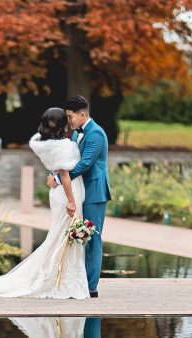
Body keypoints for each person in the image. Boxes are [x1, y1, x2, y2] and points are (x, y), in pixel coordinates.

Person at [0, 107, 88, 299]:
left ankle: (60, 276)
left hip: (57, 192)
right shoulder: (64, 146)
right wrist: (71, 201)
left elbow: (57, 172)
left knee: (60, 235)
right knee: (63, 236)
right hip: (67, 193)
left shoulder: (46, 145)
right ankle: (58, 279)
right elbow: (65, 175)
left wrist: (55, 179)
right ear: (61, 124)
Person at [47, 96, 112, 298]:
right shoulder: (76, 134)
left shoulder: (97, 134)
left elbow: (84, 164)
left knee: (93, 237)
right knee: (75, 235)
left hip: (94, 192)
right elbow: (70, 161)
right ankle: (75, 281)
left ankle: (91, 287)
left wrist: (58, 179)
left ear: (83, 114)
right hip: (79, 190)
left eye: (71, 117)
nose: (69, 121)